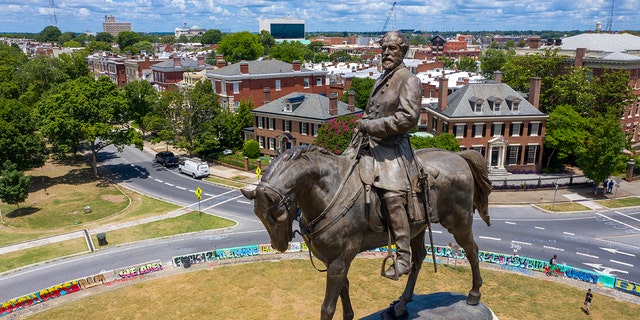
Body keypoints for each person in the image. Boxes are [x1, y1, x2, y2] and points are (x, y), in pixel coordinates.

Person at [343, 31, 422, 280]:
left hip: (393, 148)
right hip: (368, 142)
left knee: (391, 194)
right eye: (384, 49)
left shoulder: (409, 80)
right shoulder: (382, 78)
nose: (386, 53)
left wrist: (372, 126)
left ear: (403, 52)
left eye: (392, 49)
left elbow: (408, 118)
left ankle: (403, 257)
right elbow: (372, 111)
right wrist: (363, 128)